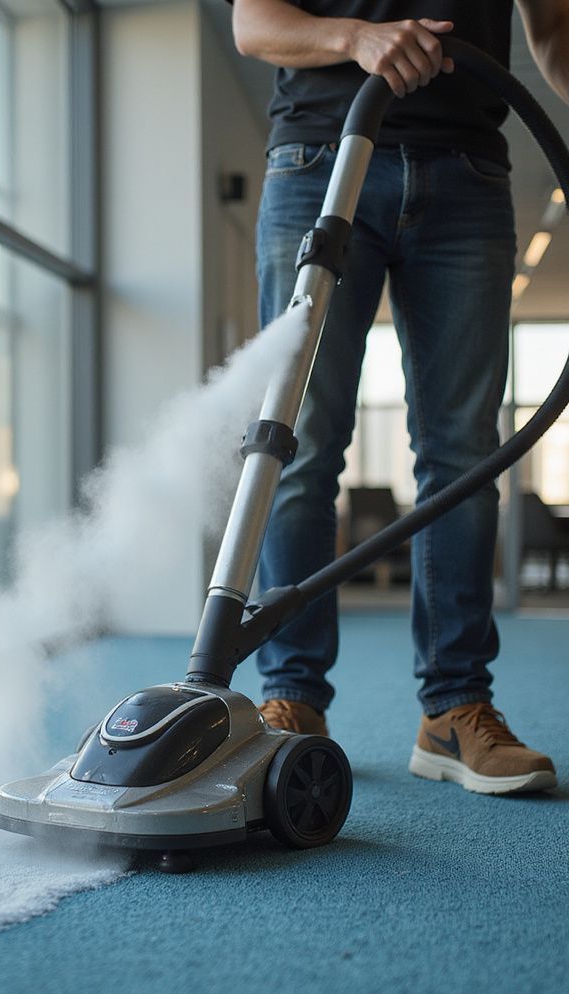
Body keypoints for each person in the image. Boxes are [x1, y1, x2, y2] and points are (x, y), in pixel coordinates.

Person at [230, 0, 567, 793]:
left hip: (469, 171)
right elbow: (253, 21)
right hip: (321, 155)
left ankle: (455, 708)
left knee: (463, 455)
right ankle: (292, 698)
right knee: (298, 444)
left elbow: (551, 26)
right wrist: (355, 37)